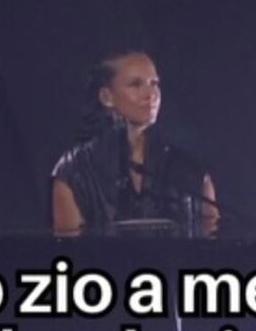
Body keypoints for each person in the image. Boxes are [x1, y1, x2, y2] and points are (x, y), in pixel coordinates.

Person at [52, 49, 219, 237]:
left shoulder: (190, 169)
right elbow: (70, 247)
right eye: (136, 84)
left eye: (154, 83)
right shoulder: (76, 169)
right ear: (106, 97)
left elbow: (210, 241)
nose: (151, 93)